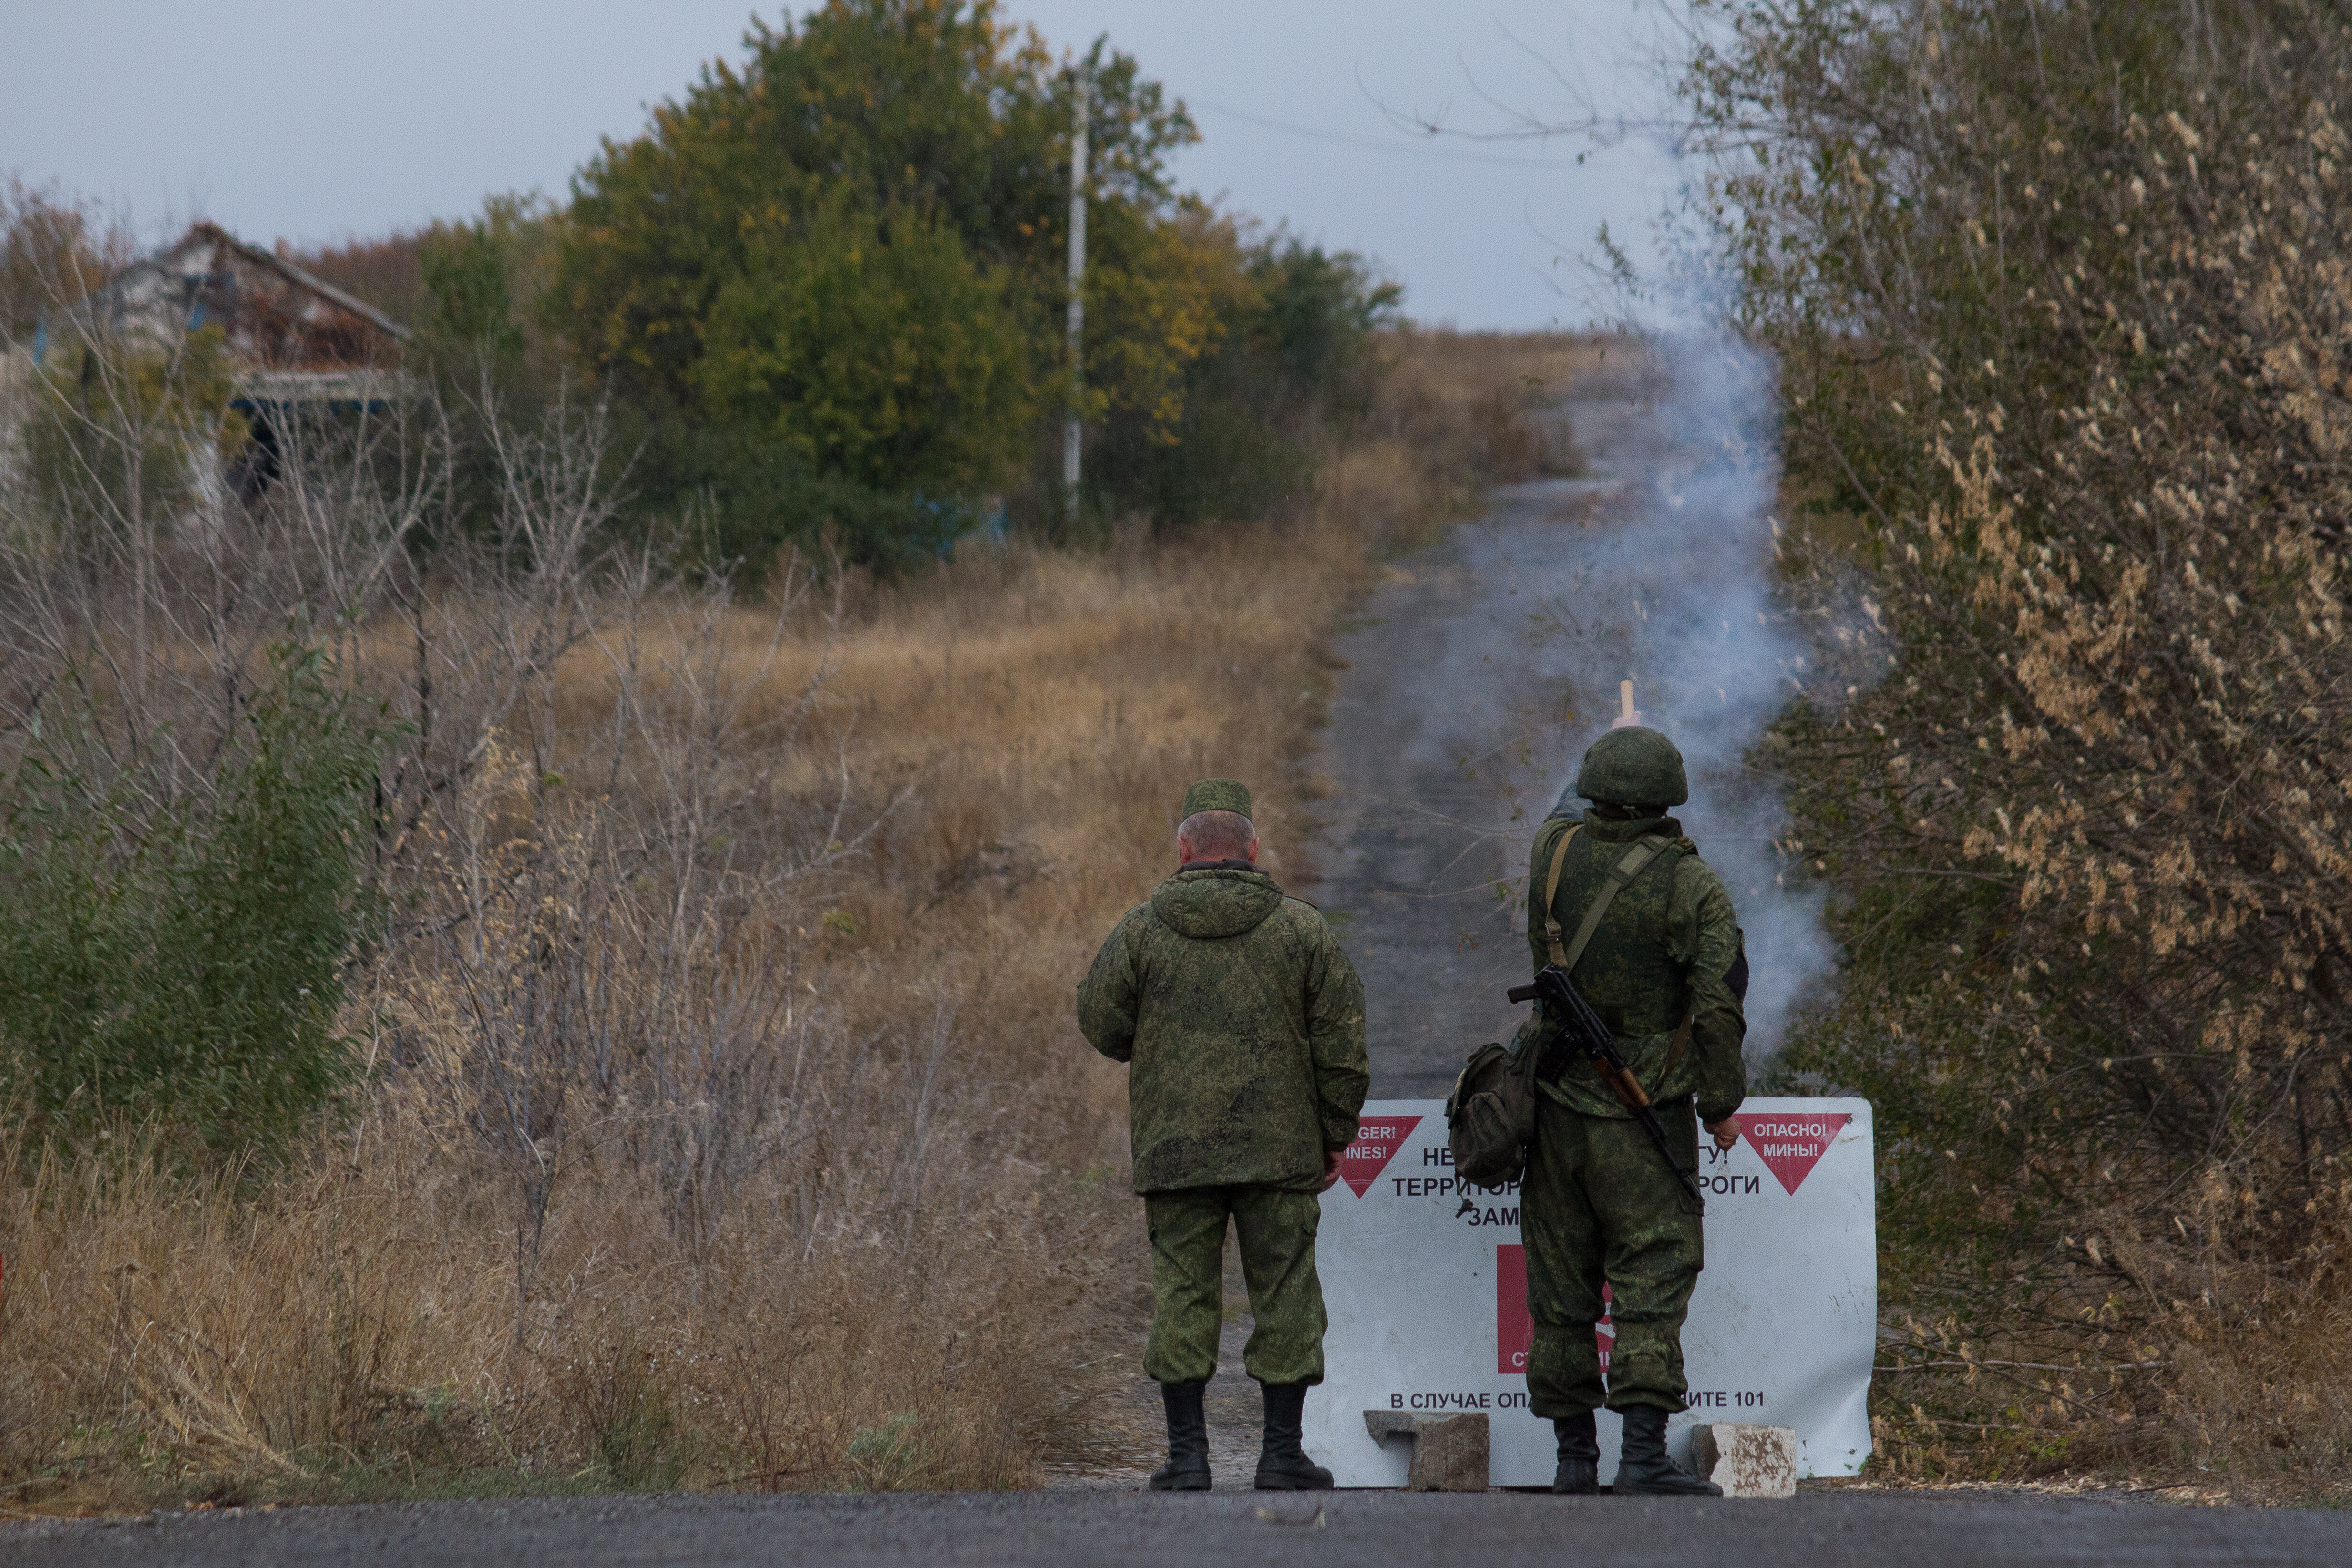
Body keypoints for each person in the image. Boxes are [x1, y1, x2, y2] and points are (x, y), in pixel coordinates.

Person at [1077, 778, 1370, 1492]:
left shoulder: (1141, 929)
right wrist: (1335, 1132)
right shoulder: (1300, 928)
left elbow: (1100, 1022)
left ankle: (1186, 1457)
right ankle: (1279, 1455)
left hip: (1176, 1151)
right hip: (1280, 1150)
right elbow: (1343, 1043)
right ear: (1252, 848)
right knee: (1287, 1293)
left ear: (1183, 849)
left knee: (1182, 1294)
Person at [1519, 726, 1748, 1496]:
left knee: (1559, 1286)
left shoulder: (1550, 855)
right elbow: (1717, 1000)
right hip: (1644, 1109)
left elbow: (1558, 817)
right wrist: (1720, 1103)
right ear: (1668, 798)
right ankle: (1641, 1458)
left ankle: (1572, 1460)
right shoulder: (1692, 886)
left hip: (1552, 1108)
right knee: (1650, 1274)